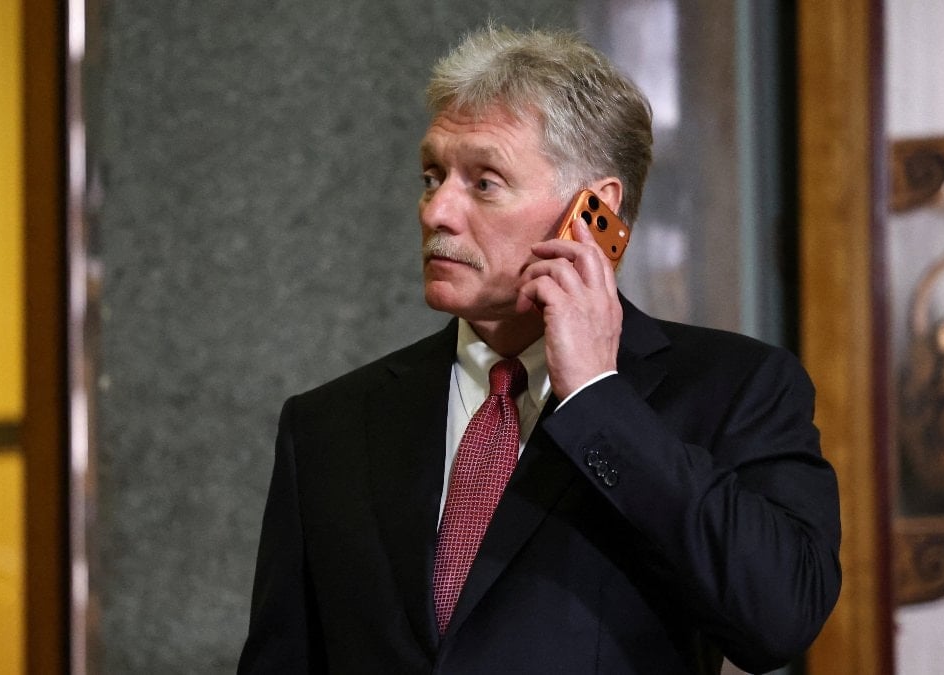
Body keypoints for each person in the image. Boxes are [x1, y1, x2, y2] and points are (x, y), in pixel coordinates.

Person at [239, 24, 841, 674]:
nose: (435, 211)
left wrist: (598, 398)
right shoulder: (327, 424)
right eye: (432, 176)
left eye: (484, 182)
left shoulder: (736, 386)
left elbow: (780, 618)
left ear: (593, 213)